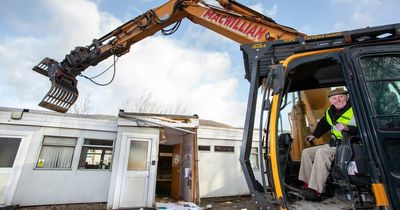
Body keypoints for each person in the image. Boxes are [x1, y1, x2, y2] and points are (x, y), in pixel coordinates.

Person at [298, 87, 357, 201]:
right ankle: (307, 184)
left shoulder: (355, 109)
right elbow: (324, 123)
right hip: (335, 144)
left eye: (341, 97)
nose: (338, 100)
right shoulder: (331, 111)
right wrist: (315, 135)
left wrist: (348, 128)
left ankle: (316, 190)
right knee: (307, 152)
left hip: (349, 144)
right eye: (334, 98)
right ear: (330, 101)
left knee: (321, 152)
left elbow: (365, 128)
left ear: (347, 97)